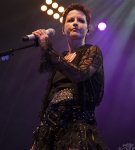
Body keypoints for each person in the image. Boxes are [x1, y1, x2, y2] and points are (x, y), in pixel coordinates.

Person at [30, 3, 109, 150]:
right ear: (63, 29)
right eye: (71, 20)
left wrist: (48, 49)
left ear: (87, 29)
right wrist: (38, 139)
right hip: (50, 130)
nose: (75, 23)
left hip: (75, 128)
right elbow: (50, 98)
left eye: (81, 21)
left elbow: (79, 75)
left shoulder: (92, 51)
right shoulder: (61, 59)